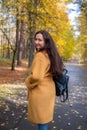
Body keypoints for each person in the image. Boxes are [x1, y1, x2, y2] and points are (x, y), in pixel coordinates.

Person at [25, 30, 63, 130]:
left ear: (46, 41)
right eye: (35, 39)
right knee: (44, 121)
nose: (36, 42)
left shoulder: (40, 56)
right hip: (49, 91)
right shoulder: (50, 54)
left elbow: (36, 77)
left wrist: (27, 81)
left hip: (40, 92)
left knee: (42, 122)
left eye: (40, 40)